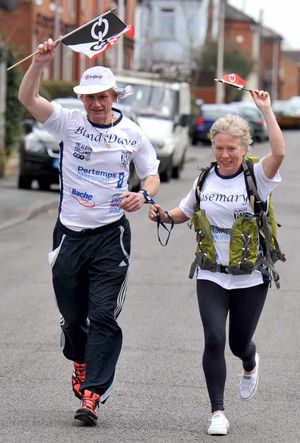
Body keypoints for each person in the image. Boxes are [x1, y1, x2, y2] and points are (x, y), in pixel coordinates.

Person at [18, 38, 160, 426]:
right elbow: (28, 98)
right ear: (81, 99)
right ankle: (79, 361)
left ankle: (93, 394)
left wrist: (143, 195)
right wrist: (40, 63)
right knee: (72, 314)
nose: (96, 104)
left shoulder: (131, 132)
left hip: (110, 236)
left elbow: (152, 173)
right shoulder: (68, 122)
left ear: (114, 95)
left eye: (102, 97)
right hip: (69, 235)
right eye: (89, 98)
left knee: (103, 316)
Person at [148, 89, 285, 436]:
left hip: (250, 276)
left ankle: (250, 361)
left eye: (231, 149)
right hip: (211, 273)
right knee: (213, 339)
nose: (224, 155)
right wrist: (165, 215)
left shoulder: (258, 179)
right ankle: (218, 412)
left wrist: (266, 110)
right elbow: (184, 211)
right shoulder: (204, 179)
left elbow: (280, 151)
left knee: (238, 343)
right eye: (219, 148)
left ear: (244, 149)